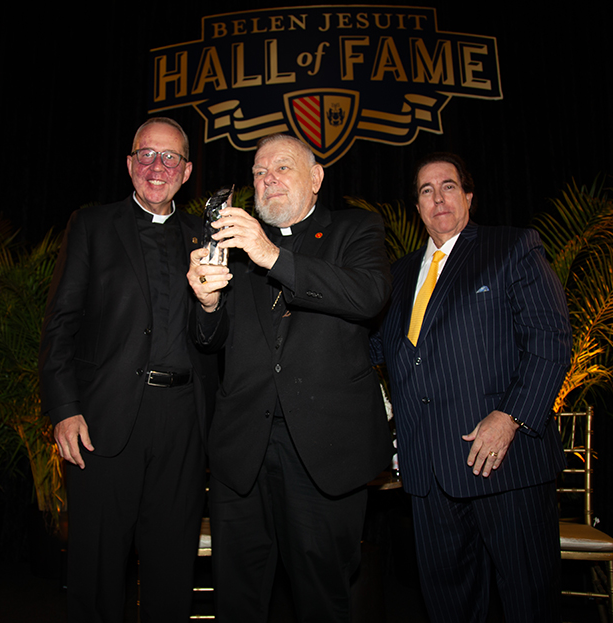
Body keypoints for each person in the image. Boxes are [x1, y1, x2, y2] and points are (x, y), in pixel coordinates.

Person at [187, 133, 393, 623]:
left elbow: (368, 296)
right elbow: (208, 341)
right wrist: (208, 302)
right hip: (243, 452)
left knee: (323, 598)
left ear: (316, 178)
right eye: (259, 172)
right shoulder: (231, 246)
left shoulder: (354, 229)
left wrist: (272, 256)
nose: (268, 179)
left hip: (324, 452)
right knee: (237, 600)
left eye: (282, 168)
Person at [371, 152, 571, 622]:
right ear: (416, 207)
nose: (437, 197)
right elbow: (375, 350)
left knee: (528, 600)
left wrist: (511, 417)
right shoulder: (396, 275)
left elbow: (550, 339)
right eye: (426, 190)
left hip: (504, 461)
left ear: (468, 197)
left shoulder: (511, 247)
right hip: (427, 472)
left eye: (448, 186)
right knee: (450, 606)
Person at [39, 117, 211, 622]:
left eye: (170, 158)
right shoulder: (91, 225)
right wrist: (64, 410)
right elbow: (59, 326)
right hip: (103, 421)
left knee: (172, 567)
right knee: (95, 571)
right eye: (147, 155)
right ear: (130, 164)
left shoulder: (206, 235)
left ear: (186, 172)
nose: (157, 167)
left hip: (183, 422)